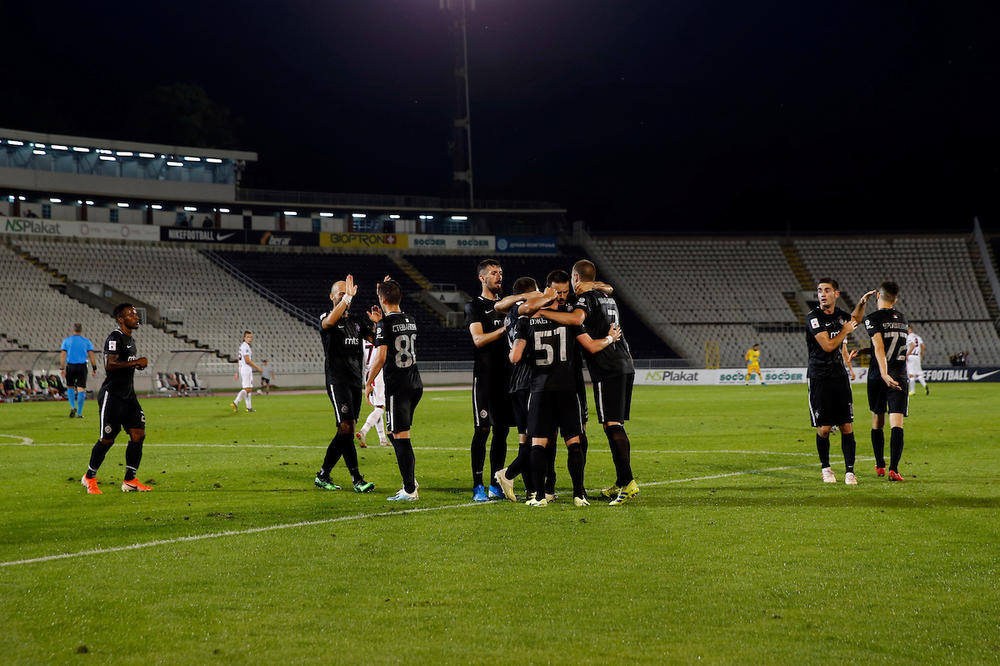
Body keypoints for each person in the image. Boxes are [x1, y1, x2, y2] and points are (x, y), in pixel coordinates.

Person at [508, 287, 622, 507]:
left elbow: (515, 357)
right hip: (568, 389)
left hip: (540, 389)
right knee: (574, 442)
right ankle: (579, 495)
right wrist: (610, 338)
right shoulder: (570, 321)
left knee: (538, 444)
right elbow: (590, 346)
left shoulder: (527, 320)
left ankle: (540, 496)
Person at [805, 279, 874, 485]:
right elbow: (827, 346)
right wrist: (844, 331)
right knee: (824, 428)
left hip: (839, 376)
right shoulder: (813, 317)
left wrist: (861, 303)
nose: (822, 294)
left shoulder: (840, 315)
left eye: (827, 290)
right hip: (819, 377)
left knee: (846, 425)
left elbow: (855, 320)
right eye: (819, 291)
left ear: (836, 294)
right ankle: (826, 468)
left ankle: (850, 471)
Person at [313, 275, 376, 493]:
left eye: (346, 292)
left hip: (354, 382)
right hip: (336, 380)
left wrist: (381, 320)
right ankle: (357, 479)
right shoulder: (327, 317)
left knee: (347, 431)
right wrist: (347, 299)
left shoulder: (357, 321)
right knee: (346, 427)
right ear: (332, 297)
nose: (344, 295)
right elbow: (329, 322)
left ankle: (323, 474)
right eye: (340, 293)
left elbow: (377, 339)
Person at [81, 303, 152, 494]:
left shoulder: (130, 339)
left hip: (129, 396)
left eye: (135, 314)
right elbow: (110, 364)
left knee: (138, 434)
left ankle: (130, 480)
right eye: (131, 315)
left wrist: (135, 365)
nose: (136, 317)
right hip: (112, 396)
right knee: (107, 439)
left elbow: (124, 364)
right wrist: (136, 362)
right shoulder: (115, 337)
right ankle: (89, 476)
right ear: (121, 319)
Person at [366, 279, 423, 501]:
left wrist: (369, 382)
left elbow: (380, 357)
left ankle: (410, 489)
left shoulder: (384, 325)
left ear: (382, 300)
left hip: (398, 386)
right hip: (415, 383)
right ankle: (410, 478)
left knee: (400, 436)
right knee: (393, 432)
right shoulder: (411, 319)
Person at [465, 258, 513, 501]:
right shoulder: (474, 306)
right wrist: (504, 329)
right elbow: (478, 340)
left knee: (502, 431)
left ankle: (496, 482)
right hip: (484, 378)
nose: (499, 276)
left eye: (501, 272)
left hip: (507, 379)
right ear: (482, 278)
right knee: (483, 429)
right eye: (494, 273)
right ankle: (477, 485)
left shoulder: (509, 306)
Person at [863, 281, 910, 482]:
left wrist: (883, 373)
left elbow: (880, 347)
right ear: (895, 299)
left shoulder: (872, 318)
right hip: (898, 375)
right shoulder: (903, 319)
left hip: (878, 375)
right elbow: (896, 346)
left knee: (878, 420)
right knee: (896, 423)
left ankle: (880, 465)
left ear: (877, 296)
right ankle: (894, 469)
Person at [356, 338, 390, 448]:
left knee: (377, 408)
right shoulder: (378, 336)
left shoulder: (363, 337)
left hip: (368, 372)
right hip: (377, 372)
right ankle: (363, 431)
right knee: (380, 408)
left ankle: (383, 440)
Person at [61, 323, 99, 417]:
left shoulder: (67, 341)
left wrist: (62, 368)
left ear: (73, 330)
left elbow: (63, 355)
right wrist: (94, 367)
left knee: (70, 386)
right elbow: (91, 355)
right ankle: (79, 413)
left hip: (70, 366)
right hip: (82, 366)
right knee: (81, 388)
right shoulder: (86, 341)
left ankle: (73, 406)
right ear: (81, 330)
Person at [232, 330, 262, 413]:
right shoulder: (245, 346)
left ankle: (249, 407)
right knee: (247, 389)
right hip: (246, 369)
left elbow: (239, 360)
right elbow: (247, 360)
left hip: (244, 368)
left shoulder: (243, 346)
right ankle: (236, 402)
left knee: (248, 389)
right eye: (248, 337)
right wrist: (258, 367)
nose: (250, 339)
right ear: (244, 338)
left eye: (251, 337)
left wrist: (237, 372)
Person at [906, 326, 929, 395]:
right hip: (917, 357)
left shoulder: (908, 337)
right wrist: (921, 356)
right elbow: (923, 347)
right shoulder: (918, 337)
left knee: (911, 375)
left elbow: (912, 346)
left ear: (910, 330)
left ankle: (912, 391)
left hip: (911, 356)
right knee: (919, 374)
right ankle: (924, 385)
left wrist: (907, 354)